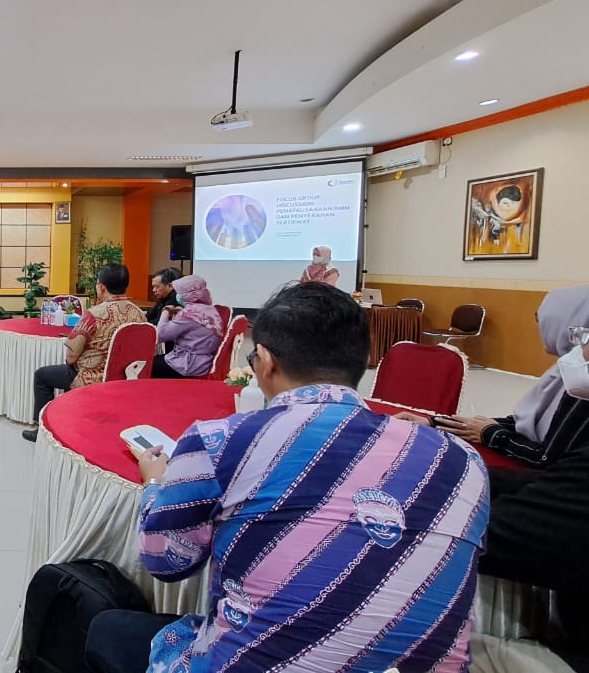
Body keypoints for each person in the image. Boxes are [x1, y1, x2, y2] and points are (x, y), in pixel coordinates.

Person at [85, 283, 488, 673]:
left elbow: (165, 559)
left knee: (106, 629)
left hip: (250, 661)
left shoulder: (220, 441)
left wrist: (155, 482)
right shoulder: (461, 460)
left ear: (263, 359)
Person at [402, 285, 589, 467]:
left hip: (543, 485)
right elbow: (520, 423)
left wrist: (490, 434)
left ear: (566, 325)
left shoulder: (580, 385)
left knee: (438, 466)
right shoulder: (561, 373)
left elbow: (546, 459)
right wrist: (432, 422)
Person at [22, 264, 145, 442]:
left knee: (42, 375)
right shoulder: (139, 313)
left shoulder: (94, 314)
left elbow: (72, 355)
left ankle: (43, 430)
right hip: (127, 376)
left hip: (92, 376)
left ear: (101, 287)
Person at [151, 274, 222, 379]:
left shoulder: (190, 313)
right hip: (204, 361)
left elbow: (161, 335)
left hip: (187, 364)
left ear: (189, 294)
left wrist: (165, 311)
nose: (178, 295)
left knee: (145, 365)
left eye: (180, 293)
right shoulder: (208, 309)